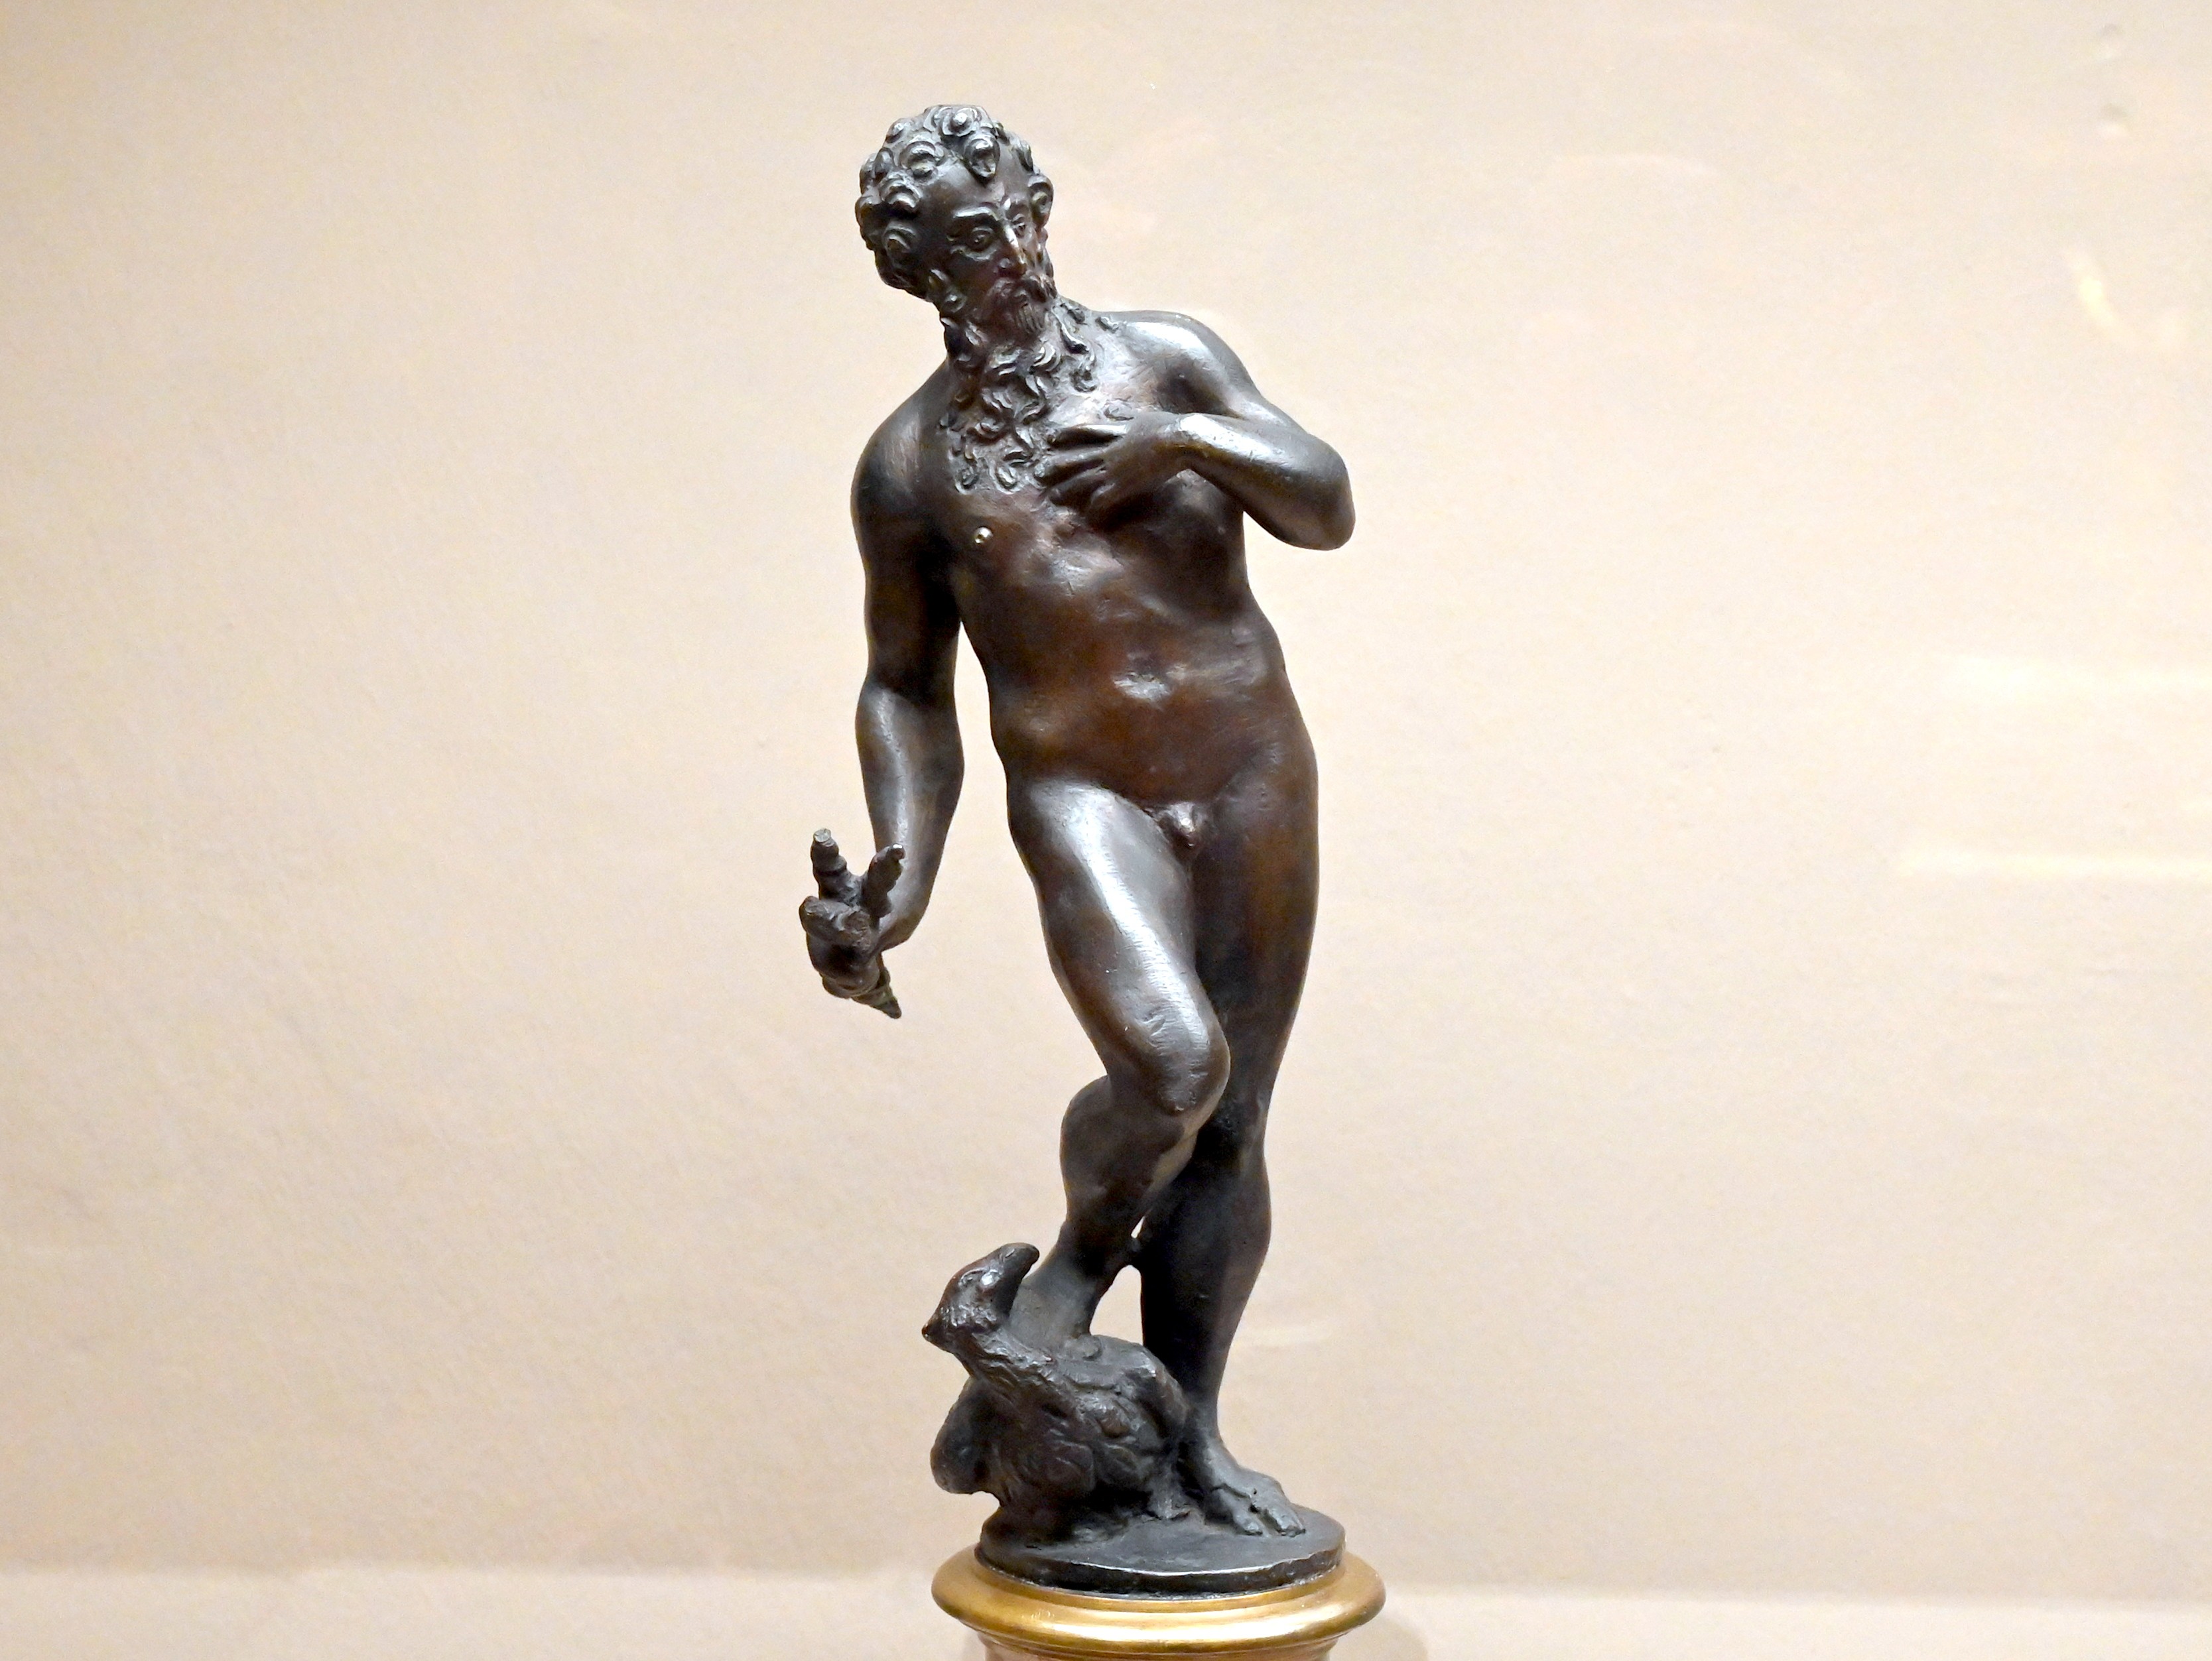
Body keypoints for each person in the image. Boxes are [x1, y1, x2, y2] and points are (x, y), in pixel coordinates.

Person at [803, 105, 1352, 1538]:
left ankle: (1194, 1435)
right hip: (1085, 792)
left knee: (1233, 1123)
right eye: (966, 244)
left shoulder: (1165, 358)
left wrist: (1185, 439)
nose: (1008, 255)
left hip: (1252, 769)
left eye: (1014, 217)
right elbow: (905, 685)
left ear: (1041, 206)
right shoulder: (910, 465)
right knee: (1173, 1064)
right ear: (918, 272)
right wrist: (896, 886)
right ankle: (1076, 1262)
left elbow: (1326, 503)